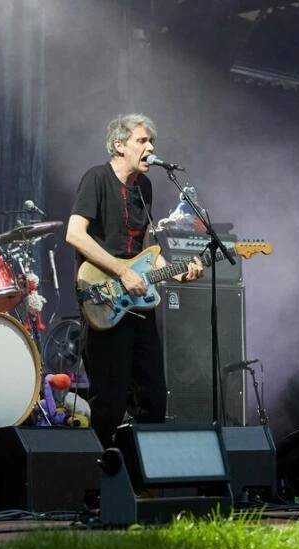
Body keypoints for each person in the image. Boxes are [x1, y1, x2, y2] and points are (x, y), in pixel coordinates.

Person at [65, 114, 203, 448]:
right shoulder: (97, 178)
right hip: (103, 297)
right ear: (119, 145)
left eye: (151, 142)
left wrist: (175, 269)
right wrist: (122, 271)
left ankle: (140, 480)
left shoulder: (145, 188)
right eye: (142, 141)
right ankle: (96, 487)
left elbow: (146, 248)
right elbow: (74, 234)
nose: (151, 148)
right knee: (109, 401)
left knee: (153, 396)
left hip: (138, 305)